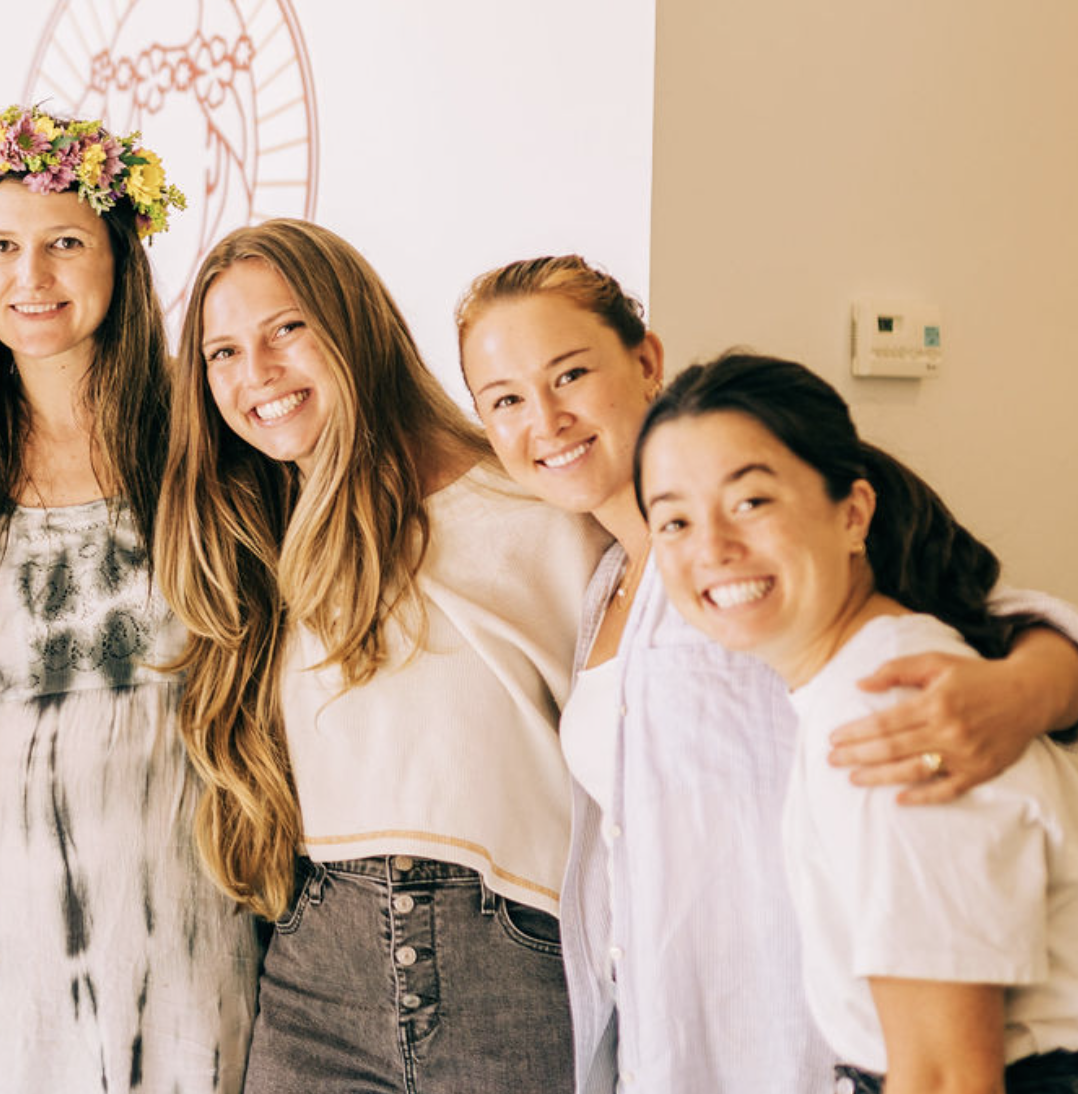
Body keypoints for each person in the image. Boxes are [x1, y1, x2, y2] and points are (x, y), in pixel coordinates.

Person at [455, 255, 1078, 1092]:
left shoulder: (792, 579)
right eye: (506, 400)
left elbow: (987, 618)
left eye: (569, 374)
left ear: (645, 362)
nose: (548, 418)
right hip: (677, 1033)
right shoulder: (611, 582)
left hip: (817, 1041)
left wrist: (1020, 690)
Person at [159, 217, 607, 1092]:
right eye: (223, 352)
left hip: (513, 963)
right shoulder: (258, 531)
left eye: (287, 329)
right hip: (315, 975)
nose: (257, 374)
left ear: (354, 324)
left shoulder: (537, 505)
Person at [0, 105, 259, 1093]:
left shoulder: (208, 424)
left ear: (121, 252)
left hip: (182, 884)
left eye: (66, 242)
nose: (33, 277)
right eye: (1, 247)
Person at [635, 352, 1078, 1094]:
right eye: (674, 520)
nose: (711, 547)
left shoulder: (890, 710)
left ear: (853, 513)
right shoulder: (879, 667)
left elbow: (944, 1078)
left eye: (751, 502)